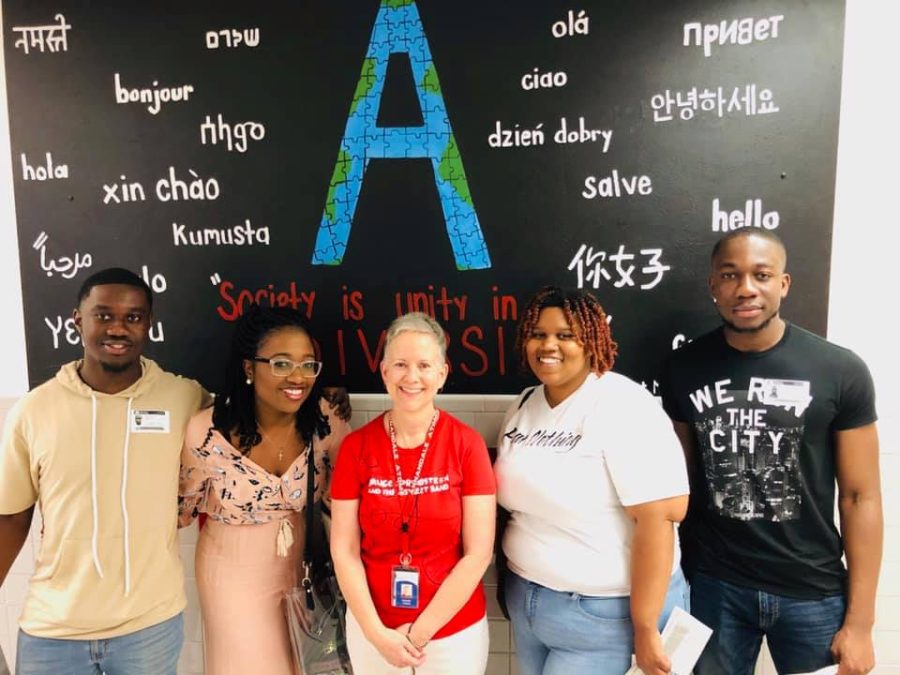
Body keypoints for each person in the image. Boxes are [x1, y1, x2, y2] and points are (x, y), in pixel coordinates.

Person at [659, 229, 881, 675]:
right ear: (713, 285)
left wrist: (860, 623)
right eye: (730, 274)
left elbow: (861, 497)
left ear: (783, 283)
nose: (746, 288)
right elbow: (676, 484)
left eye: (761, 275)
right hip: (714, 585)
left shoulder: (840, 370)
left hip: (812, 589)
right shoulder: (682, 367)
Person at [0, 267, 209, 674]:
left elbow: (248, 414)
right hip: (53, 631)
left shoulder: (184, 397)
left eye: (133, 317)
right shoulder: (34, 410)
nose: (118, 328)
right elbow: (11, 514)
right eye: (103, 314)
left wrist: (327, 392)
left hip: (149, 627)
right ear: (77, 319)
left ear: (149, 324)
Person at [494, 286, 690, 675]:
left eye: (565, 335)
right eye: (538, 333)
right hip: (531, 607)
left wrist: (646, 627)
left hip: (605, 619)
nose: (549, 345)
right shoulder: (524, 404)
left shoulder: (623, 405)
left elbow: (659, 519)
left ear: (591, 340)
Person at [178, 304, 351, 675]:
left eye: (308, 364)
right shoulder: (206, 431)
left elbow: (343, 500)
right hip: (232, 574)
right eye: (282, 363)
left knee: (310, 664)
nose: (298, 376)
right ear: (248, 368)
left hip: (308, 568)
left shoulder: (327, 421)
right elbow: (183, 510)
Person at [330, 312, 496, 674]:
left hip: (453, 635)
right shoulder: (356, 448)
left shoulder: (468, 446)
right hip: (373, 632)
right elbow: (343, 550)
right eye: (401, 364)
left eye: (424, 365)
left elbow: (478, 553)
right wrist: (377, 634)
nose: (412, 376)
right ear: (385, 371)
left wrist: (418, 634)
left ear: (442, 374)